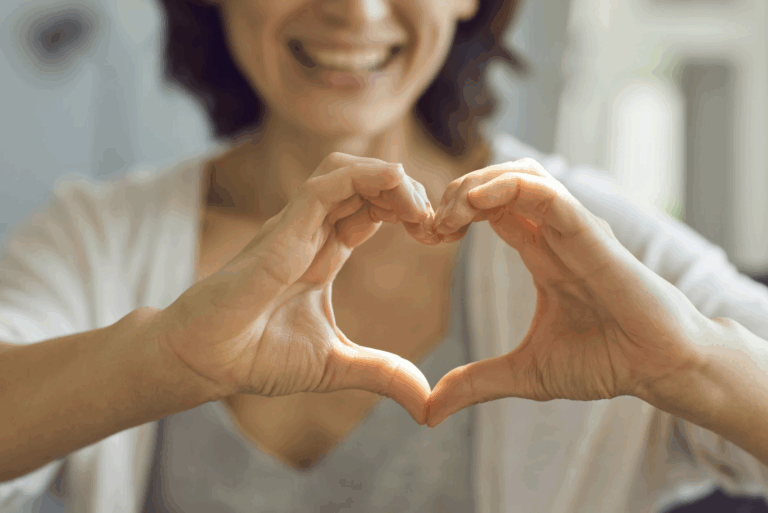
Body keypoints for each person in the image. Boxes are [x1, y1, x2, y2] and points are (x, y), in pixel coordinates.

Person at [1, 0, 767, 511]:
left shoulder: (598, 242)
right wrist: (163, 358)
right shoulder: (95, 238)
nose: (354, 10)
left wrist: (690, 364)